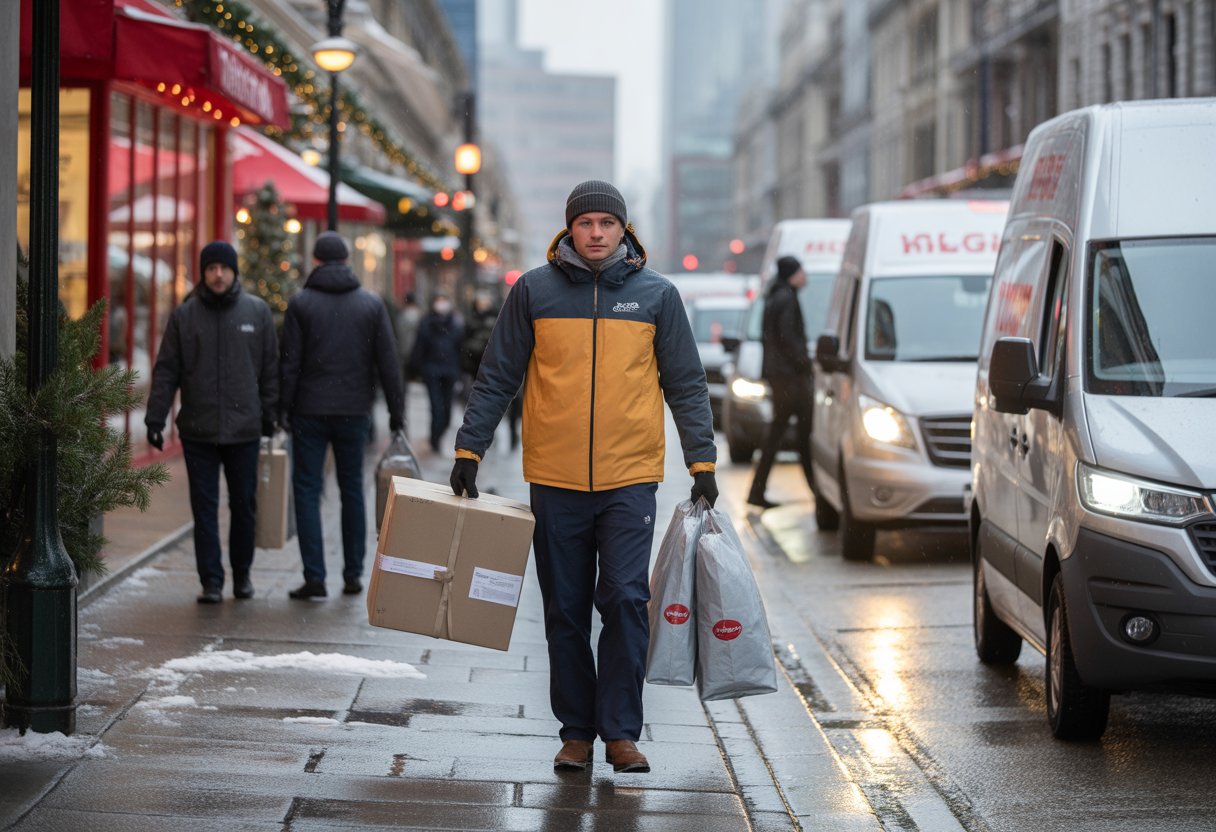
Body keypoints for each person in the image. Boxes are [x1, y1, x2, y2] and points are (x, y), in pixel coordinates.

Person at [449, 180, 718, 775]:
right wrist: (471, 449)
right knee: (565, 609)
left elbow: (686, 383)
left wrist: (701, 461)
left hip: (630, 478)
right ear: (569, 229)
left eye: (606, 223)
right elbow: (497, 375)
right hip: (555, 476)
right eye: (586, 223)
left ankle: (620, 731)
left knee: (624, 599)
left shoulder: (657, 296)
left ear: (625, 231)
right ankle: (576, 732)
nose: (596, 233)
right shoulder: (535, 293)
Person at [145, 240, 278, 604]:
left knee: (243, 505)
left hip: (244, 430)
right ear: (203, 272)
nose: (218, 274)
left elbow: (270, 370)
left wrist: (269, 415)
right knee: (203, 508)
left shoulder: (257, 312)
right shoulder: (185, 316)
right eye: (211, 268)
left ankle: (243, 574)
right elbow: (167, 370)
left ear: (234, 271)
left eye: (224, 268)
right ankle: (212, 581)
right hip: (198, 430)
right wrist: (156, 417)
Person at [279, 230, 405, 600]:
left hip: (309, 410)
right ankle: (353, 573)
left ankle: (314, 576)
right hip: (354, 410)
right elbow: (389, 363)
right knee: (353, 489)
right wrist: (397, 414)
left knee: (307, 489)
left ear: (315, 261)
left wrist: (282, 411)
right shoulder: (370, 304)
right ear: (348, 261)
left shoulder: (301, 303)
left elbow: (290, 364)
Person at [746, 254, 816, 510]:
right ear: (792, 274)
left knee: (780, 436)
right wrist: (805, 365)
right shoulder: (786, 298)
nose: (804, 275)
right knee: (803, 436)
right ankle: (818, 494)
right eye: (801, 271)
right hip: (790, 379)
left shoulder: (777, 295)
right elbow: (789, 339)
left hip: (782, 377)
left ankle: (758, 491)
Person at [408, 292, 464, 452]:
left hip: (450, 371)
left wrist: (461, 370)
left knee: (447, 409)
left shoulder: (456, 324)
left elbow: (461, 349)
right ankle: (434, 439)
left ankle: (439, 432)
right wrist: (415, 367)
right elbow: (419, 347)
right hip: (431, 371)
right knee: (435, 408)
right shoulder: (426, 323)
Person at [394, 291, 423, 381]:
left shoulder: (401, 317)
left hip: (403, 351)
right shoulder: (420, 316)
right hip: (417, 351)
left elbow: (398, 334)